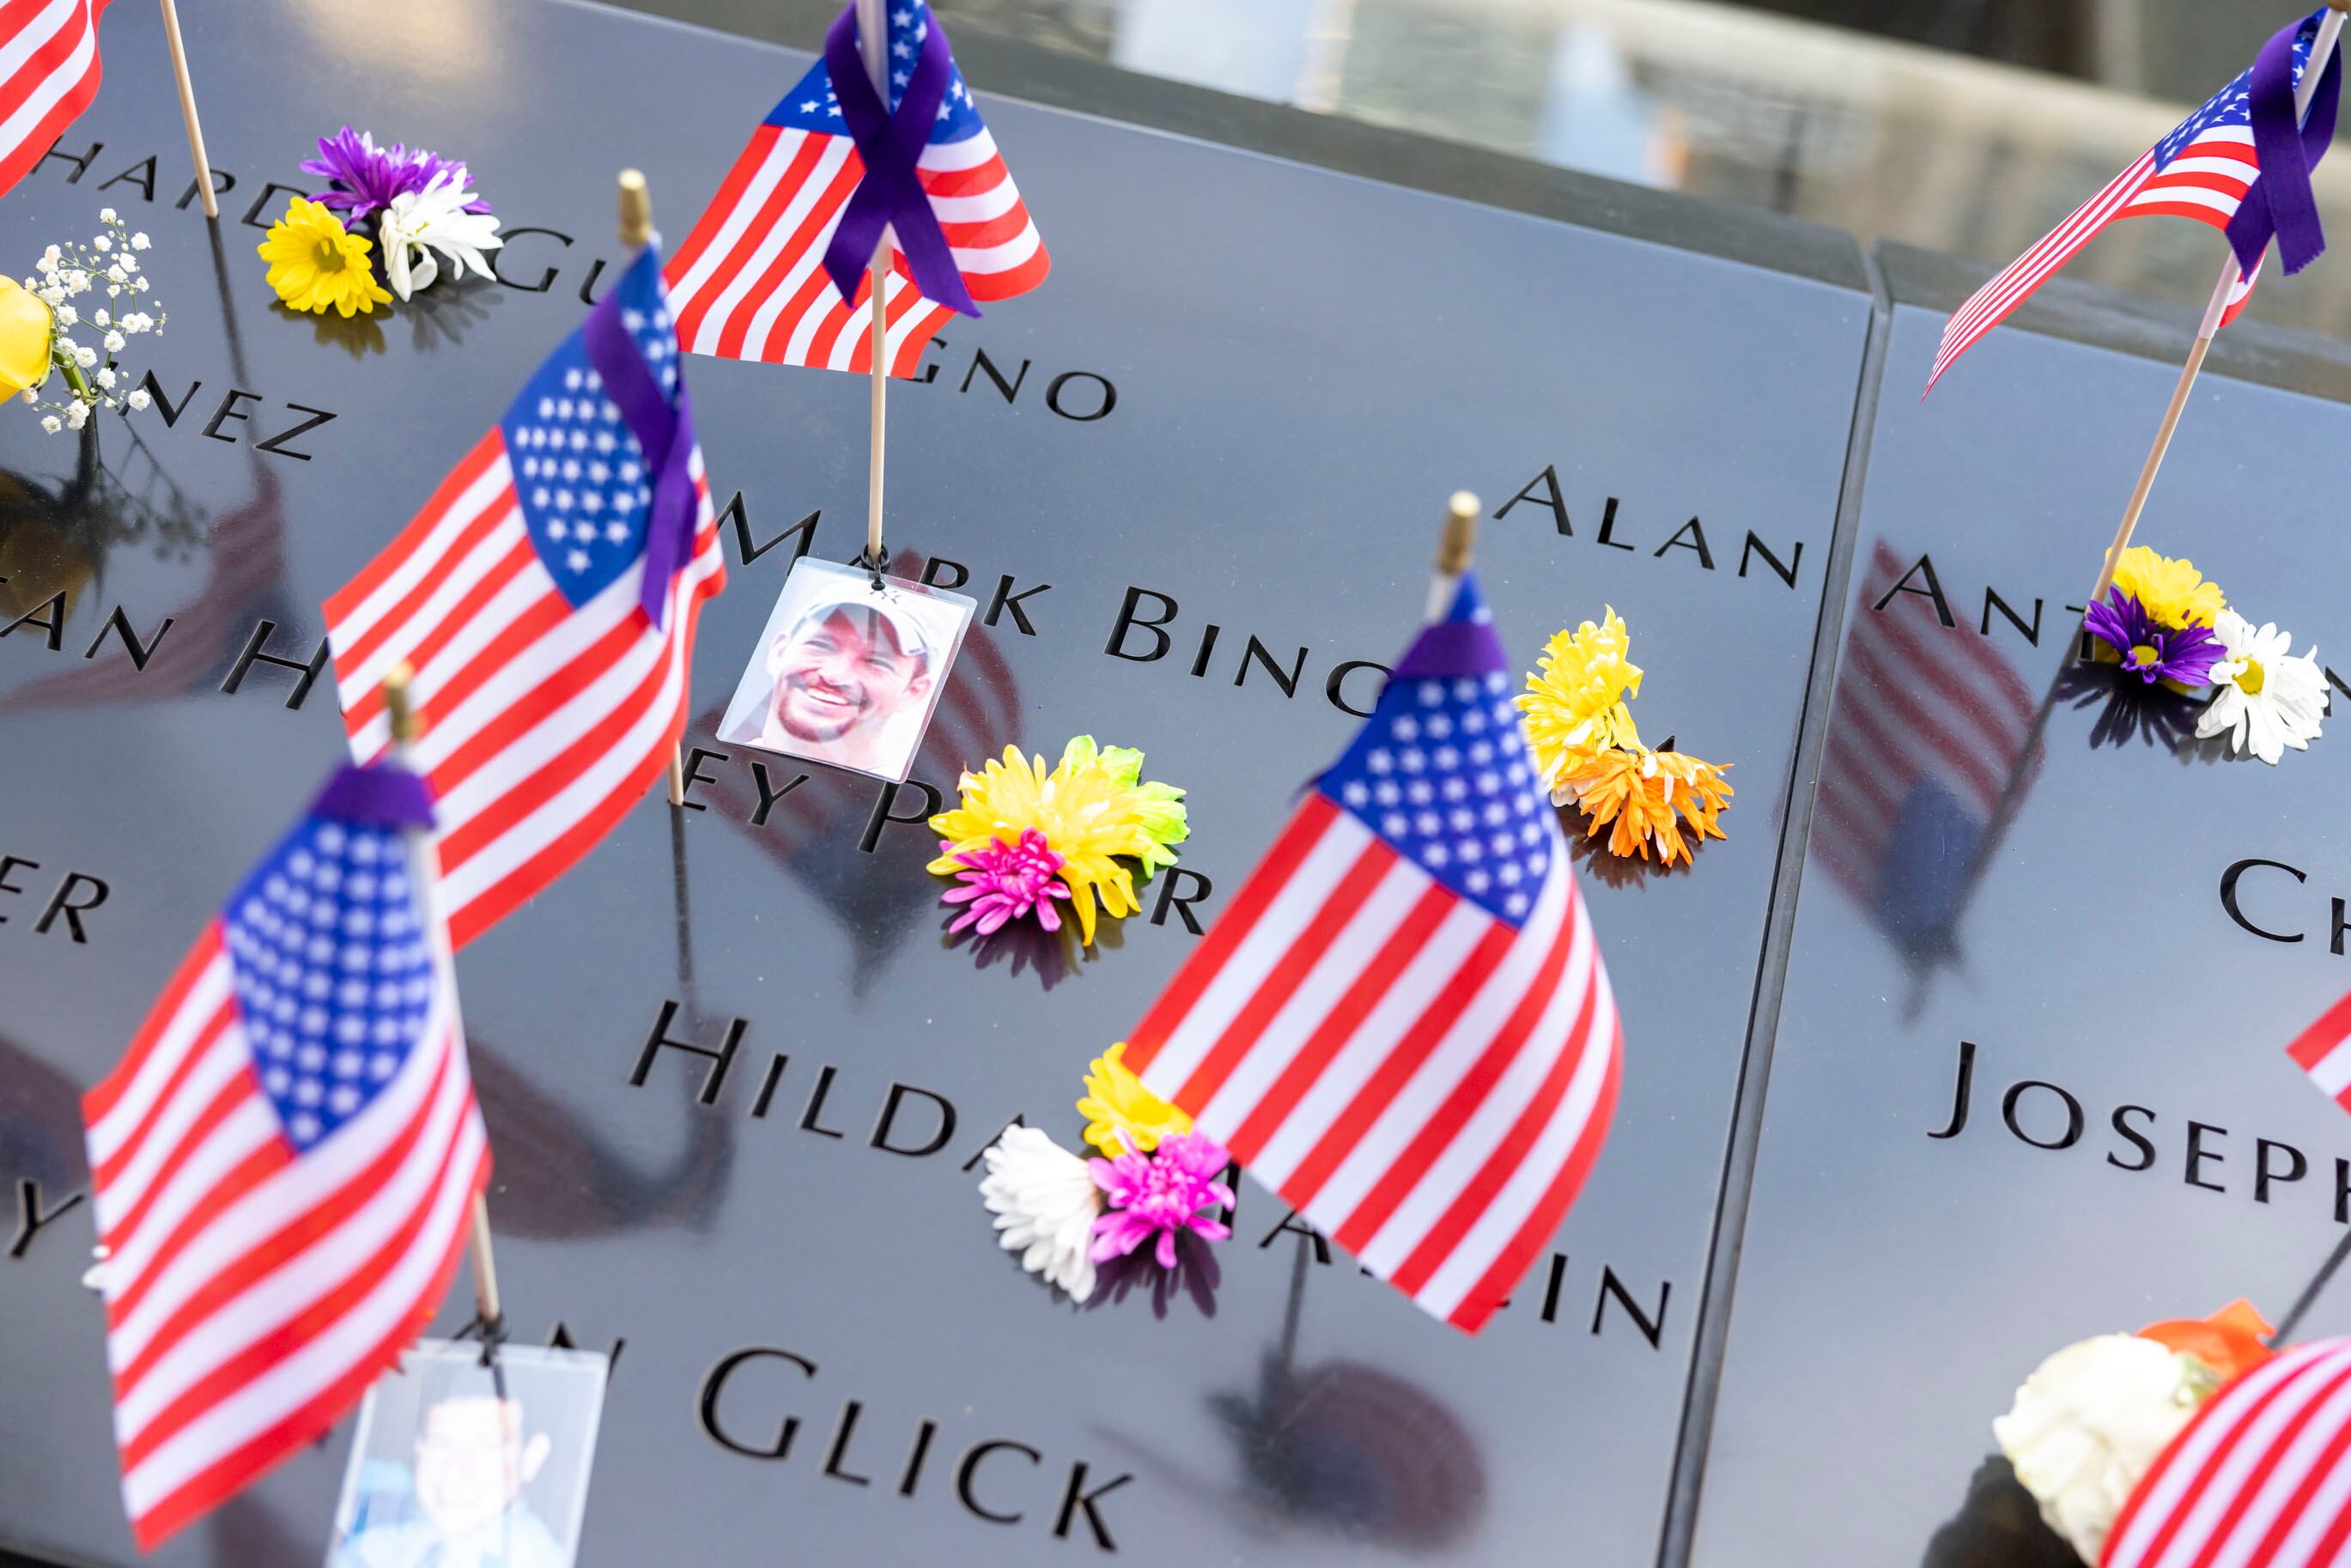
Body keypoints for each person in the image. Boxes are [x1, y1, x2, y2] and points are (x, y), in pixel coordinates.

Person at [331, 1389, 568, 1568]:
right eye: (441, 1443)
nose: (456, 1470)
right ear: (419, 1448)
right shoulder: (373, 1552)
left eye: (488, 1446)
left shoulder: (541, 1561)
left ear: (531, 1458)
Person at [721, 591, 938, 776]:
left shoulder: (906, 805)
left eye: (875, 662)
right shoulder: (711, 768)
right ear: (778, 651)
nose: (835, 675)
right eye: (821, 645)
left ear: (913, 692)